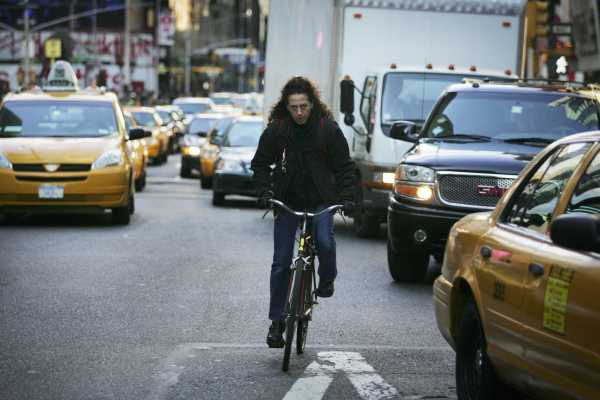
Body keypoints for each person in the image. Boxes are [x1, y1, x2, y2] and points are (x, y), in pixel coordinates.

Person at [250, 76, 356, 348]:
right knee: (281, 263)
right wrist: (265, 192)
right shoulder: (278, 131)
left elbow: (345, 168)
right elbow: (260, 164)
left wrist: (348, 197)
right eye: (293, 107)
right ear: (286, 106)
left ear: (312, 104)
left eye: (303, 107)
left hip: (321, 201)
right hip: (288, 201)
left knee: (323, 241)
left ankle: (327, 278)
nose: (299, 112)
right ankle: (276, 323)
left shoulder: (327, 130)